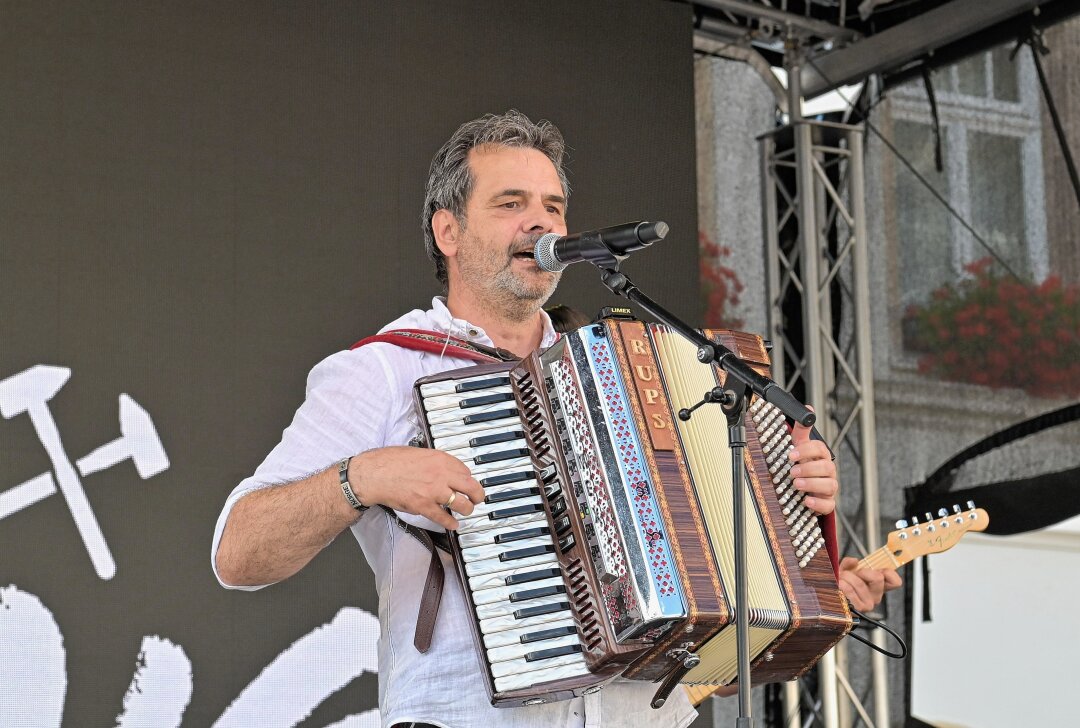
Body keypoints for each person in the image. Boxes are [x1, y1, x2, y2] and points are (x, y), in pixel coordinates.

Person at [212, 110, 896, 728]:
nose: (540, 224)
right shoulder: (384, 370)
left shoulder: (628, 378)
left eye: (553, 207)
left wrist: (800, 568)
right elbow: (238, 552)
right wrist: (361, 477)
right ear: (447, 230)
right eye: (511, 204)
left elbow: (701, 660)